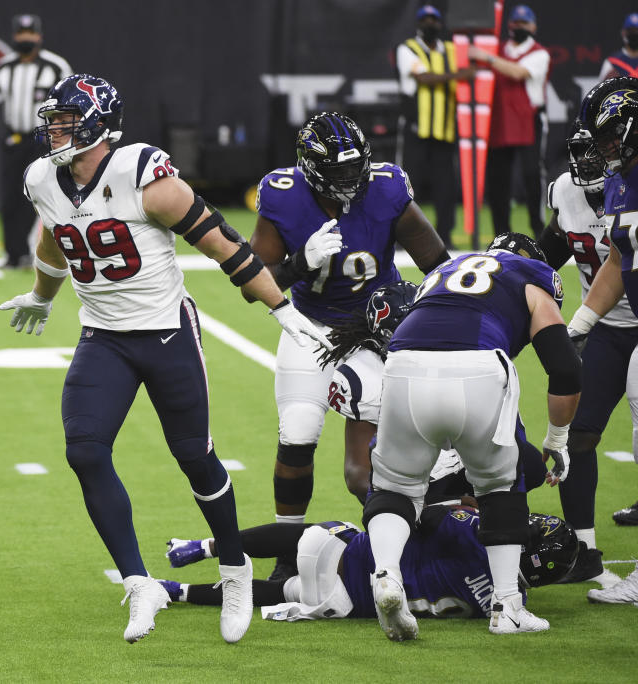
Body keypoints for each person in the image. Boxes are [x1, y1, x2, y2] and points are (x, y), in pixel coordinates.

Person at [0, 74, 333, 644]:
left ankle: (234, 567)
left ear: (100, 123)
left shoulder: (142, 175)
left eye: (67, 120)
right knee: (84, 450)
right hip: (103, 336)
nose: (54, 130)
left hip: (165, 333)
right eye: (52, 120)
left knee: (194, 458)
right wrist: (41, 295)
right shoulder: (41, 179)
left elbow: (225, 245)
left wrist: (280, 308)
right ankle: (139, 582)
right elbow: (56, 238)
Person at [251, 111, 449, 582]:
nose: (350, 180)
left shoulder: (385, 189)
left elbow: (437, 263)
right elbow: (252, 281)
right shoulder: (283, 196)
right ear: (312, 168)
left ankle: (411, 539)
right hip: (310, 328)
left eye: (355, 168)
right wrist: (301, 262)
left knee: (368, 467)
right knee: (298, 433)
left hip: (374, 333)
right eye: (337, 172)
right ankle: (286, 556)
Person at [362, 232, 581, 640]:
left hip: (402, 364)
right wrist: (558, 438)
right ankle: (507, 608)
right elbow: (565, 368)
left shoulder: (446, 270)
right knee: (501, 484)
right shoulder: (534, 274)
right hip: (478, 363)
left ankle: (387, 575)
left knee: (395, 485)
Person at [319, 281, 549, 508]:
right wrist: (439, 504)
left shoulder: (453, 346)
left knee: (528, 466)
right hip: (413, 470)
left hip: (458, 445)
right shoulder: (364, 376)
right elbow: (358, 474)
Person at [536, 121, 638, 583]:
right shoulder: (566, 190)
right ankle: (584, 549)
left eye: (600, 148)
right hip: (605, 328)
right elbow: (547, 253)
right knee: (579, 434)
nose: (590, 160)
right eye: (584, 151)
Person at [159, 507, 579, 623]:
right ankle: (176, 592)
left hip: (344, 559)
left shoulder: (474, 536)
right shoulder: (512, 602)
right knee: (281, 592)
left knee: (311, 534)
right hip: (345, 606)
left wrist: (461, 503)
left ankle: (206, 546)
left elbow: (428, 516)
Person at [566, 76, 638, 605]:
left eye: (609, 138)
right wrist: (581, 322)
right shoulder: (620, 181)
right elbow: (620, 259)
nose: (604, 150)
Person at [0, 14, 71, 269]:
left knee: (44, 197)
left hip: (44, 139)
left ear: (39, 37)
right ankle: (13, 254)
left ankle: (41, 253)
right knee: (11, 198)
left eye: (30, 34)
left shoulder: (55, 66)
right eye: (21, 34)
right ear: (15, 36)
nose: (25, 39)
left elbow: (70, 99)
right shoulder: (6, 66)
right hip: (14, 138)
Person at [396, 4, 475, 248]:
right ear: (418, 23)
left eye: (434, 20)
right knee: (409, 185)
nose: (430, 24)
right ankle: (404, 236)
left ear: (441, 24)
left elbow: (474, 58)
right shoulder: (407, 49)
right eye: (425, 20)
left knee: (446, 188)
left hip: (445, 129)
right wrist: (458, 75)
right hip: (416, 128)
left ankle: (445, 236)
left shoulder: (451, 50)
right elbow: (423, 77)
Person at [468, 4, 550, 237]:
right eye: (515, 22)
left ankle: (538, 230)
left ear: (533, 26)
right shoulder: (498, 49)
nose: (518, 27)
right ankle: (501, 234)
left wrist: (485, 57)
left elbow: (518, 73)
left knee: (532, 176)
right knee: (498, 181)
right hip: (498, 122)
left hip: (528, 121)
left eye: (524, 23)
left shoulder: (539, 53)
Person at [598, 13, 638, 86]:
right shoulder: (612, 63)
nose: (634, 34)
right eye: (631, 31)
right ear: (623, 33)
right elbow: (601, 93)